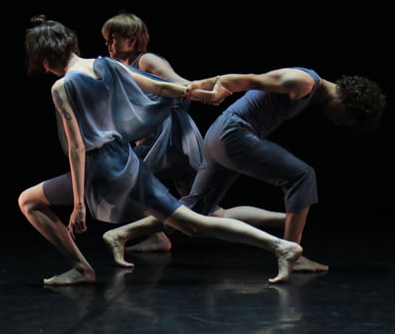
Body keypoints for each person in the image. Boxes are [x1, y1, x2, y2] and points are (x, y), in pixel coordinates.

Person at [18, 14, 302, 286]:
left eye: (43, 63)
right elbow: (162, 88)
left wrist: (80, 205)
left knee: (28, 201)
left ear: (48, 57)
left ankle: (81, 268)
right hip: (128, 164)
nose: (45, 69)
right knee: (192, 223)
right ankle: (281, 246)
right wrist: (204, 95)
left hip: (100, 169)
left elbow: (77, 147)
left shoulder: (63, 86)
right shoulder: (107, 65)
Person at [103, 66, 386, 272]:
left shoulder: (310, 90)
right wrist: (205, 87)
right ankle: (293, 255)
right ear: (348, 102)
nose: (338, 123)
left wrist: (206, 85)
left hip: (223, 134)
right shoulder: (303, 81)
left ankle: (121, 234)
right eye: (345, 119)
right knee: (303, 176)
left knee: (195, 212)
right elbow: (246, 79)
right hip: (233, 133)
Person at [101, 11, 287, 252]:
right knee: (212, 212)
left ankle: (157, 237)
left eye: (112, 39)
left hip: (170, 141)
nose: (108, 45)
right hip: (168, 142)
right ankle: (288, 219)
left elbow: (180, 83)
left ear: (132, 41)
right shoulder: (122, 68)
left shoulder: (146, 61)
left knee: (121, 178)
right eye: (106, 40)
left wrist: (206, 95)